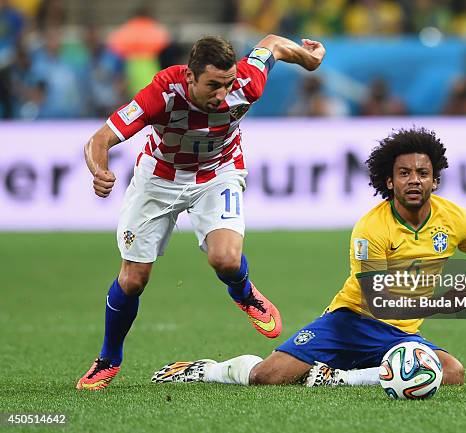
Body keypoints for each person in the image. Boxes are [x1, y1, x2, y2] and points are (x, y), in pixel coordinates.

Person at [150, 127, 466, 387]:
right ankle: (210, 369)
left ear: (435, 179)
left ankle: (337, 379)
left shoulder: (456, 219)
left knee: (452, 372)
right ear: (390, 181)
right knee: (268, 377)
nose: (414, 180)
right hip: (350, 322)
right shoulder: (371, 228)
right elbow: (378, 296)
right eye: (404, 174)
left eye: (422, 172)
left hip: (399, 335)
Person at [76, 34, 326, 390]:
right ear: (190, 76)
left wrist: (307, 58)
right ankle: (109, 358)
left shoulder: (246, 82)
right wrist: (99, 170)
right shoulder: (160, 94)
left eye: (227, 84)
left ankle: (244, 293)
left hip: (218, 172)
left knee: (225, 259)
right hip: (159, 178)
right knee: (133, 279)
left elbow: (272, 44)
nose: (222, 94)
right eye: (213, 85)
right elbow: (99, 140)